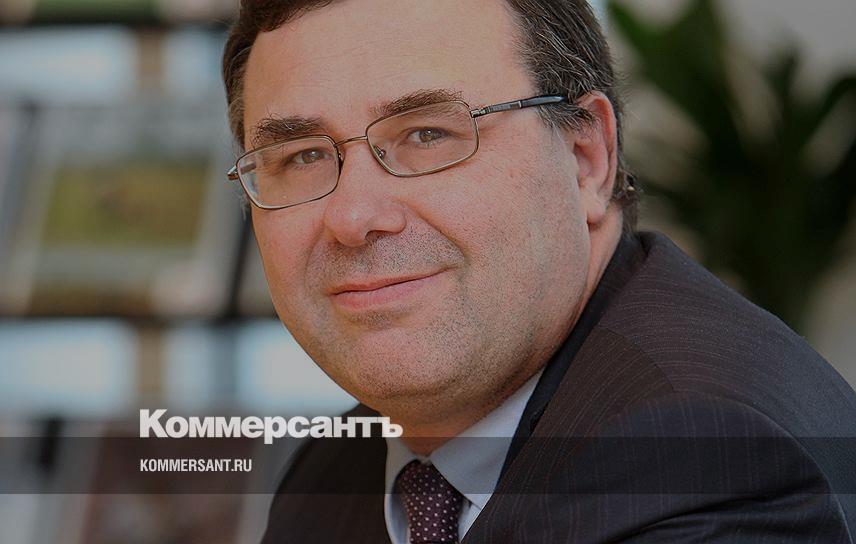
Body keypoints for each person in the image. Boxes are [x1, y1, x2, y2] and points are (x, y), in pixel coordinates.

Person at [220, 0, 856, 542]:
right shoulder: (333, 471)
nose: (354, 216)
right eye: (300, 156)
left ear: (585, 157)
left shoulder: (706, 459)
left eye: (429, 135)